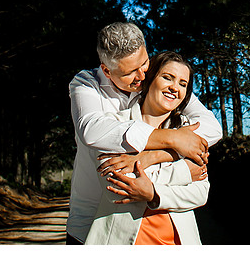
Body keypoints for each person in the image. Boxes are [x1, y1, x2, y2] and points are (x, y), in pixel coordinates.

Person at [66, 22, 221, 244]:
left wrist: (154, 156)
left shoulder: (160, 81)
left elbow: (212, 128)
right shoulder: (87, 85)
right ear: (107, 71)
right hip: (93, 222)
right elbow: (91, 131)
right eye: (130, 72)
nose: (142, 76)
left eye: (145, 63)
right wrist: (177, 148)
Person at [85, 51, 209, 244]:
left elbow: (200, 192)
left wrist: (152, 193)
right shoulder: (114, 124)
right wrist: (184, 172)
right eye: (168, 77)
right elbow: (115, 187)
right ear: (149, 79)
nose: (174, 88)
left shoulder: (188, 133)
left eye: (183, 84)